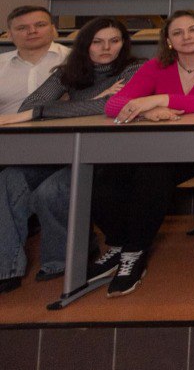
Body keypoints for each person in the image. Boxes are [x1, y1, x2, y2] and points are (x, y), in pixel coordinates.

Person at [95, 11, 194, 296]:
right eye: (177, 32)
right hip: (151, 148)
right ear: (168, 40)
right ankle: (119, 244)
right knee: (104, 177)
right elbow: (113, 105)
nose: (186, 37)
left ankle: (134, 253)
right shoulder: (155, 67)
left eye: (193, 30)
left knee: (152, 173)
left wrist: (156, 99)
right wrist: (147, 112)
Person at [0, 18, 142, 293]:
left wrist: (62, 106)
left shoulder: (135, 68)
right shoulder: (68, 72)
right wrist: (92, 99)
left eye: (114, 41)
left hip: (102, 155)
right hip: (58, 151)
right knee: (8, 179)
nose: (106, 48)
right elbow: (30, 105)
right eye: (97, 42)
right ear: (85, 44)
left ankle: (63, 259)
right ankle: (6, 267)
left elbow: (113, 104)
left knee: (51, 191)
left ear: (123, 44)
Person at [0, 6, 68, 115]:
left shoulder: (74, 60)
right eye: (22, 28)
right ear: (9, 35)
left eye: (40, 25)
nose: (32, 31)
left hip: (63, 124)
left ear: (53, 29)